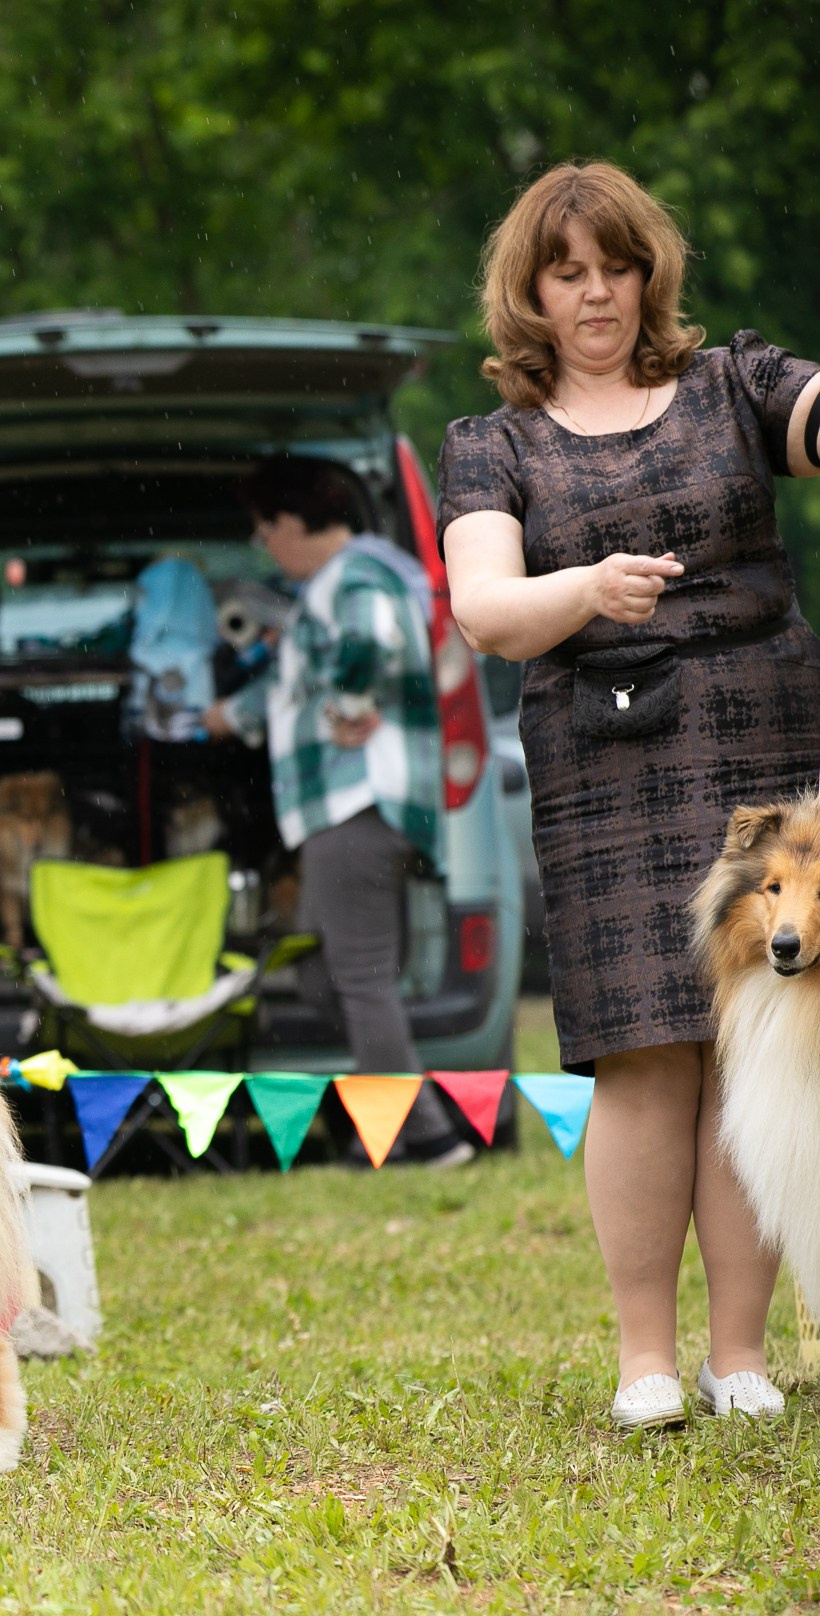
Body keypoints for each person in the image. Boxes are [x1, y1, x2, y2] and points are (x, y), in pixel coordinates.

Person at [439, 161, 820, 1430]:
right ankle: (644, 1361)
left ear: (647, 270)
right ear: (532, 291)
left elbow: (811, 415)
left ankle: (740, 1354)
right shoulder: (491, 445)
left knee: (753, 1049)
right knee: (644, 1055)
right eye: (566, 271)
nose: (595, 292)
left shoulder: (729, 383)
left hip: (766, 749)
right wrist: (590, 588)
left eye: (614, 265)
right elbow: (486, 611)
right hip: (608, 759)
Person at [203, 457, 470, 1169]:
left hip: (358, 804)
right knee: (328, 976)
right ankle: (379, 1126)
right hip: (339, 810)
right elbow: (295, 688)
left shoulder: (354, 576)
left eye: (266, 531)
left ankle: (432, 1138)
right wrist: (227, 714)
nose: (267, 547)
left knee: (358, 976)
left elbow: (368, 640)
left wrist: (352, 703)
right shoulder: (327, 587)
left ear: (291, 522)